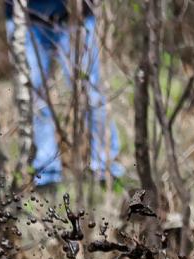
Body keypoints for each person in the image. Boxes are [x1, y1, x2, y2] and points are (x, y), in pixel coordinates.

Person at [8, 0, 123, 188]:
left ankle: (105, 167)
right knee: (34, 96)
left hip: (75, 16)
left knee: (91, 93)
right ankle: (46, 172)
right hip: (24, 18)